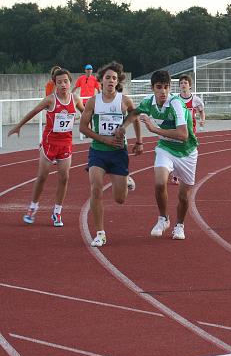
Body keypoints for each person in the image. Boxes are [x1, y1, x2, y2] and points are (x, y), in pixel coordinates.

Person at [117, 70, 198, 240]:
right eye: (159, 87)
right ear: (152, 88)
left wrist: (154, 129)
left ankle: (179, 225)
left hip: (187, 152)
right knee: (160, 183)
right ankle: (163, 218)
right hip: (165, 148)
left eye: (166, 87)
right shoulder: (149, 102)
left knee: (184, 197)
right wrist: (123, 127)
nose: (163, 92)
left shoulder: (176, 104)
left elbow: (183, 135)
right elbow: (134, 113)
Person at [8, 68, 84, 227]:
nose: (63, 84)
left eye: (66, 81)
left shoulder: (75, 99)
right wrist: (18, 126)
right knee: (42, 177)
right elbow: (33, 111)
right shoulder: (50, 100)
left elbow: (86, 113)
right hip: (49, 144)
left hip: (65, 144)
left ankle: (57, 212)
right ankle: (33, 207)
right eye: (59, 82)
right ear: (55, 84)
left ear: (70, 82)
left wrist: (94, 126)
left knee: (64, 178)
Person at [79, 61, 143, 247]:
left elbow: (136, 117)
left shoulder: (124, 101)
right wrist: (103, 139)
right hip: (98, 152)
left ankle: (126, 179)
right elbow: (83, 127)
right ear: (101, 80)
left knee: (120, 199)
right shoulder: (93, 101)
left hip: (118, 153)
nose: (110, 81)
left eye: (114, 78)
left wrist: (139, 142)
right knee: (96, 188)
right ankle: (100, 233)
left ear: (118, 81)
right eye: (107, 77)